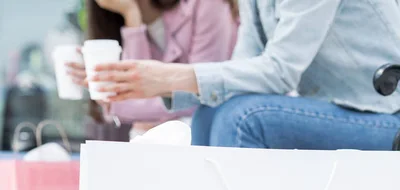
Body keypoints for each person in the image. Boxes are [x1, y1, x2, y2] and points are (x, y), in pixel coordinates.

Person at [90, 0, 400, 149]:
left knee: (242, 117)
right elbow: (242, 72)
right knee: (210, 112)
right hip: (343, 111)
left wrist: (170, 78)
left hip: (387, 117)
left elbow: (280, 72)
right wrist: (161, 82)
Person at [68, 0, 238, 135]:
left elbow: (206, 92)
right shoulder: (114, 18)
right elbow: (138, 89)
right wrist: (131, 15)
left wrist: (119, 101)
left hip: (213, 127)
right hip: (160, 134)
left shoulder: (208, 4)